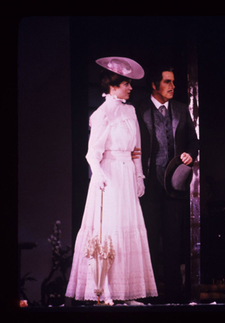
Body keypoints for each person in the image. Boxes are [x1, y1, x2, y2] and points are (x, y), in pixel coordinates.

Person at [66, 57, 157, 305]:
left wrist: (139, 176)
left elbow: (136, 148)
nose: (130, 88)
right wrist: (99, 175)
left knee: (127, 229)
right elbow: (92, 153)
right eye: (126, 84)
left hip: (127, 173)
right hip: (110, 176)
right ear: (114, 85)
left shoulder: (130, 110)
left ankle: (126, 293)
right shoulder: (101, 114)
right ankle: (104, 291)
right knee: (110, 231)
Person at [132, 65, 199, 303]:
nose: (172, 87)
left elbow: (193, 141)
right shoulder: (138, 109)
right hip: (149, 185)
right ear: (154, 85)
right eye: (167, 82)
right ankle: (148, 292)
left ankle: (173, 294)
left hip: (174, 186)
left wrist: (191, 154)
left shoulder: (181, 109)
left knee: (173, 239)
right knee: (149, 238)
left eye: (173, 82)